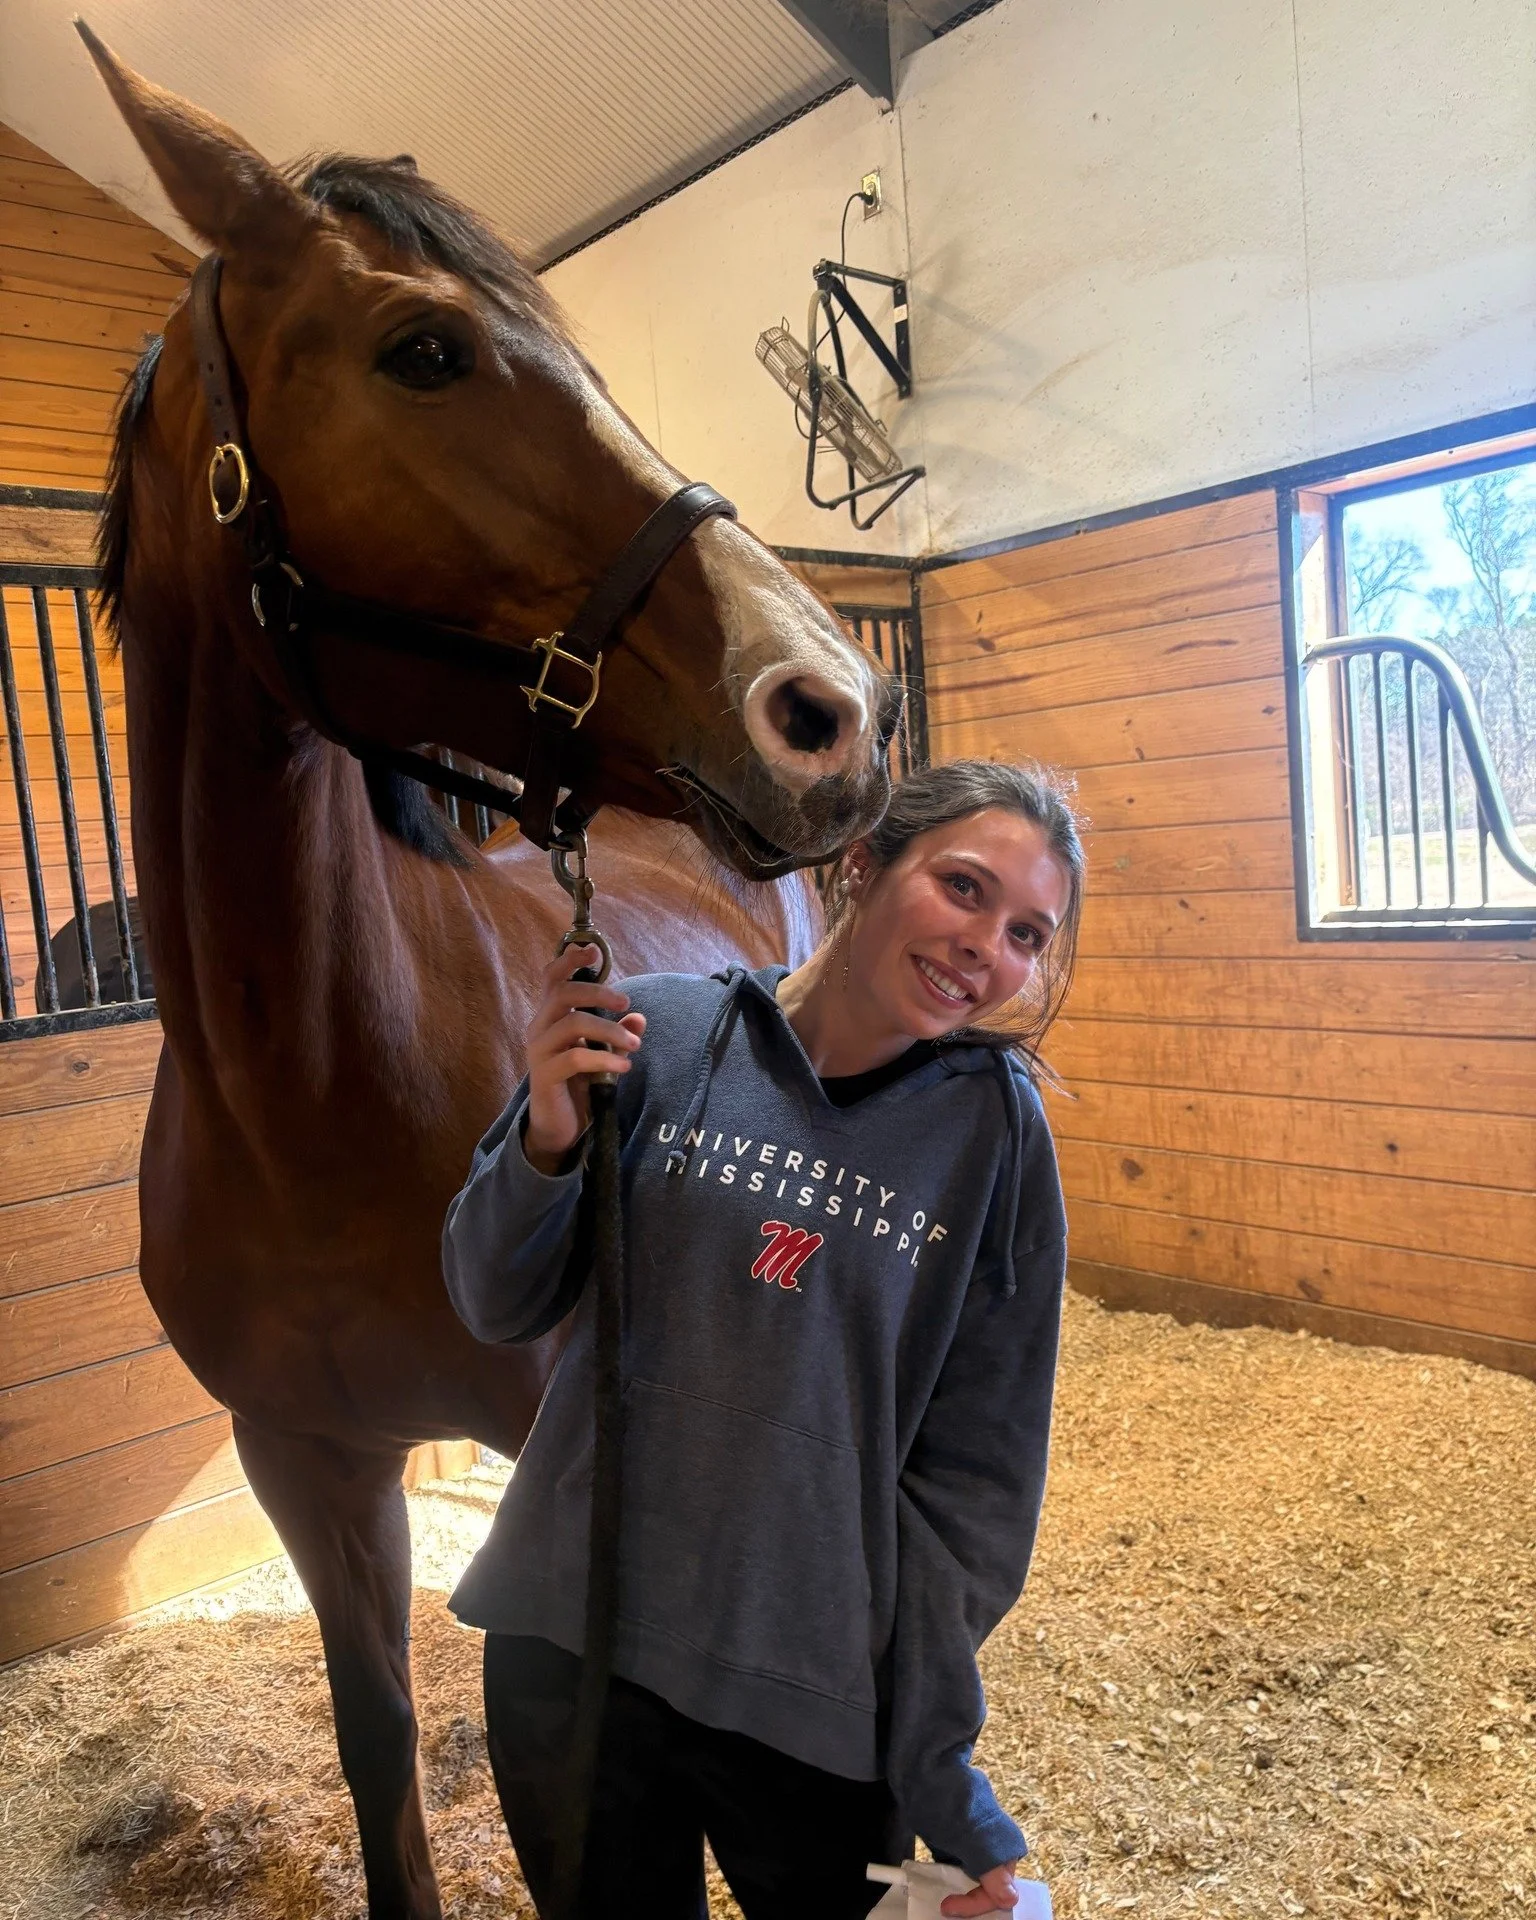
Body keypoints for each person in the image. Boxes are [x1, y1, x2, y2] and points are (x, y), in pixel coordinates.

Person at [442, 760, 1085, 1919]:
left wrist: (938, 1771)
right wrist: (544, 1134)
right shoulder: (660, 1031)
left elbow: (979, 1491)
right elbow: (495, 1302)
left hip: (808, 1692)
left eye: (1029, 932)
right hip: (567, 1650)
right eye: (964, 887)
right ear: (862, 864)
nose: (991, 944)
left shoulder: (994, 1141)